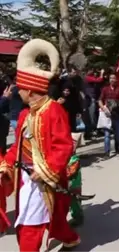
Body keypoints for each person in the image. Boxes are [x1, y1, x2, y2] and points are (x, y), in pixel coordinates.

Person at [0, 39, 80, 251]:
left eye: (22, 88)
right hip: (26, 180)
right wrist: (5, 166)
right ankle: (70, 239)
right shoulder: (26, 114)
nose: (18, 92)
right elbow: (17, 147)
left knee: (33, 224)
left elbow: (64, 146)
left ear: (31, 90)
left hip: (44, 179)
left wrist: (45, 170)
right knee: (43, 222)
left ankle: (67, 239)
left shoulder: (54, 111)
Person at [98, 74, 119, 157]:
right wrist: (103, 108)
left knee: (117, 134)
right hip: (107, 115)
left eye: (114, 78)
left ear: (116, 80)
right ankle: (107, 152)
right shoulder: (105, 89)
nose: (112, 79)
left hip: (117, 114)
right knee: (107, 135)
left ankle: (117, 148)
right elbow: (99, 100)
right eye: (110, 78)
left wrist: (117, 103)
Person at [67, 133, 84, 227]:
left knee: (75, 203)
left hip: (73, 184)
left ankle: (78, 218)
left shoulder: (74, 159)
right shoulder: (67, 158)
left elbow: (70, 172)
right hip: (67, 185)